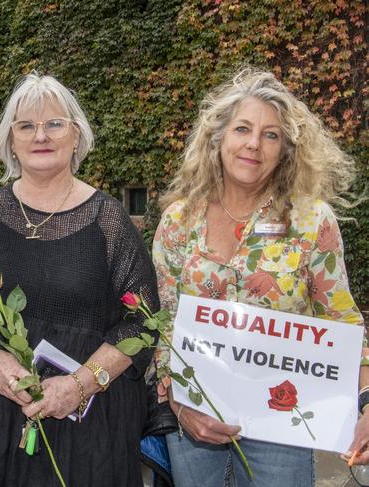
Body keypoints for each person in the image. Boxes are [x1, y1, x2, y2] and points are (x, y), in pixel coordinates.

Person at [0, 73, 158, 486]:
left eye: (55, 123)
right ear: (11, 142)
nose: (41, 135)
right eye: (26, 125)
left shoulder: (109, 221)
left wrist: (78, 385)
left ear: (76, 137)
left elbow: (142, 323)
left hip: (89, 422)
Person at [151, 67, 365, 486]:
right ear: (218, 139)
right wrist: (178, 404)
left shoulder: (310, 221)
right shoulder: (178, 222)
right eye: (242, 129)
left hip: (281, 423)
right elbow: (162, 323)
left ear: (285, 150)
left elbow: (341, 320)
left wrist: (367, 400)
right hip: (195, 419)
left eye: (271, 135)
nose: (254, 144)